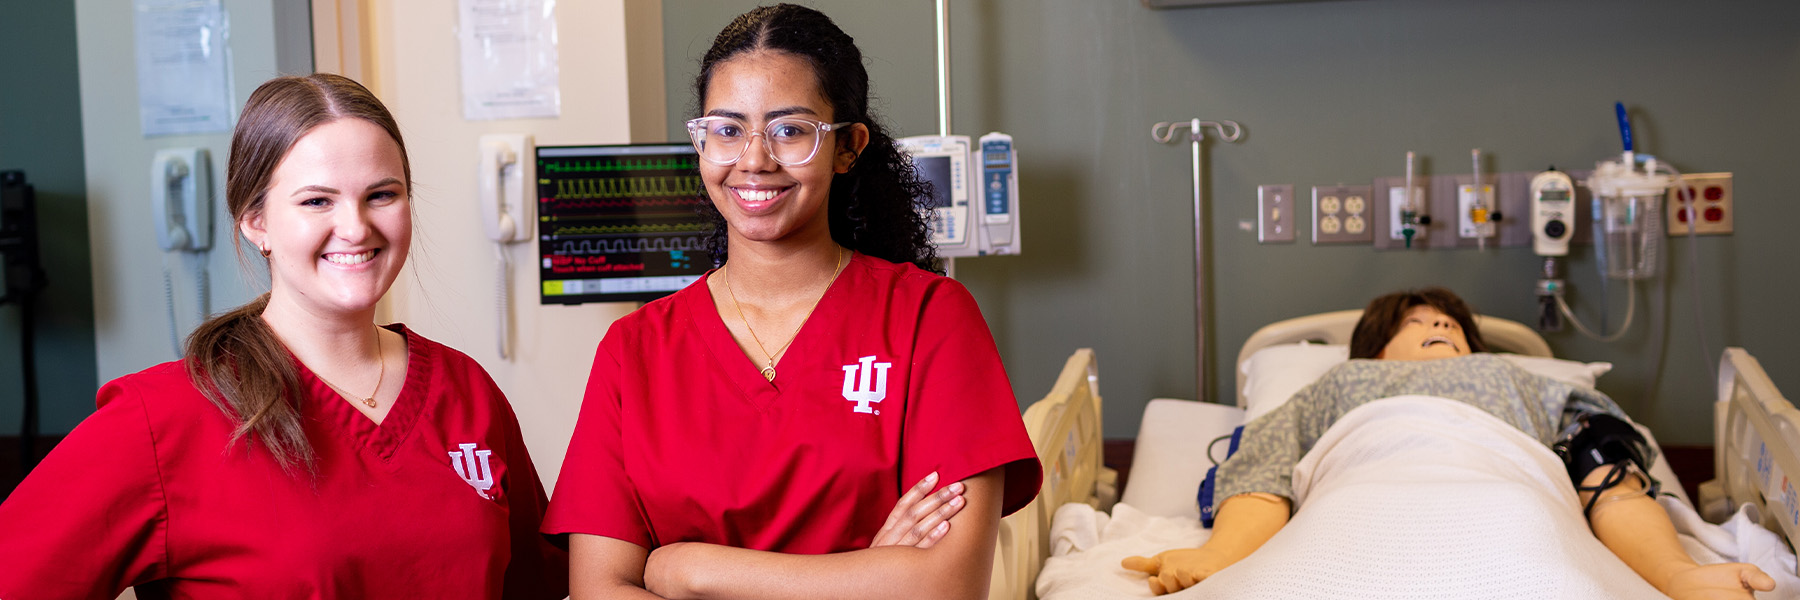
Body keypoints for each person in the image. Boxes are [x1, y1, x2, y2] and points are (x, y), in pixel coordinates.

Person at [0, 73, 568, 598]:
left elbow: (535, 586)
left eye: (382, 195)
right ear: (256, 221)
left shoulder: (464, 389)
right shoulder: (164, 417)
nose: (355, 227)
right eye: (317, 200)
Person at [541, 4, 1042, 599]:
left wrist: (687, 572)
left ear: (848, 147)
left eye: (790, 130)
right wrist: (867, 578)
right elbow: (599, 590)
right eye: (727, 130)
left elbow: (944, 589)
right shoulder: (635, 350)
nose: (753, 159)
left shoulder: (928, 317)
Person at [1123, 287, 1776, 599]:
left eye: (1451, 326)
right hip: (1359, 494)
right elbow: (1261, 478)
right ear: (1376, 348)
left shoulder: (1518, 379)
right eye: (1419, 324)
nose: (1440, 328)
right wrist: (1220, 555)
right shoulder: (1338, 385)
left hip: (1506, 494)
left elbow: (1610, 484)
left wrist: (1677, 574)